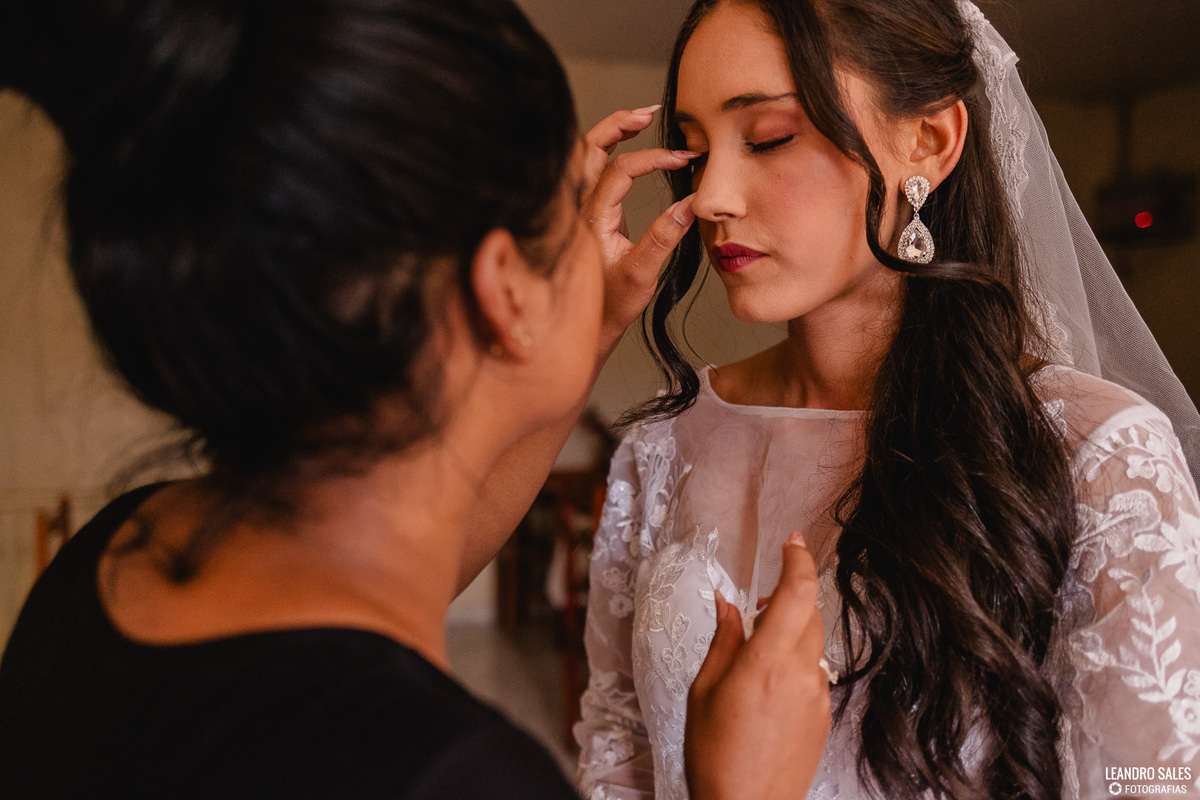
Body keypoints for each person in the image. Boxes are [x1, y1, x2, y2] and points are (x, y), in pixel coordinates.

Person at [0, 0, 832, 797]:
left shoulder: (110, 559)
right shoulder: (460, 777)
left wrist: (581, 319)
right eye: (567, 217)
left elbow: (403, 556)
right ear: (504, 287)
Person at [574, 1, 1200, 799]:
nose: (713, 196)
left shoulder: (1103, 459)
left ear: (929, 141)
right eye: (694, 154)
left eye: (769, 137)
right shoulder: (664, 446)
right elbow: (619, 755)